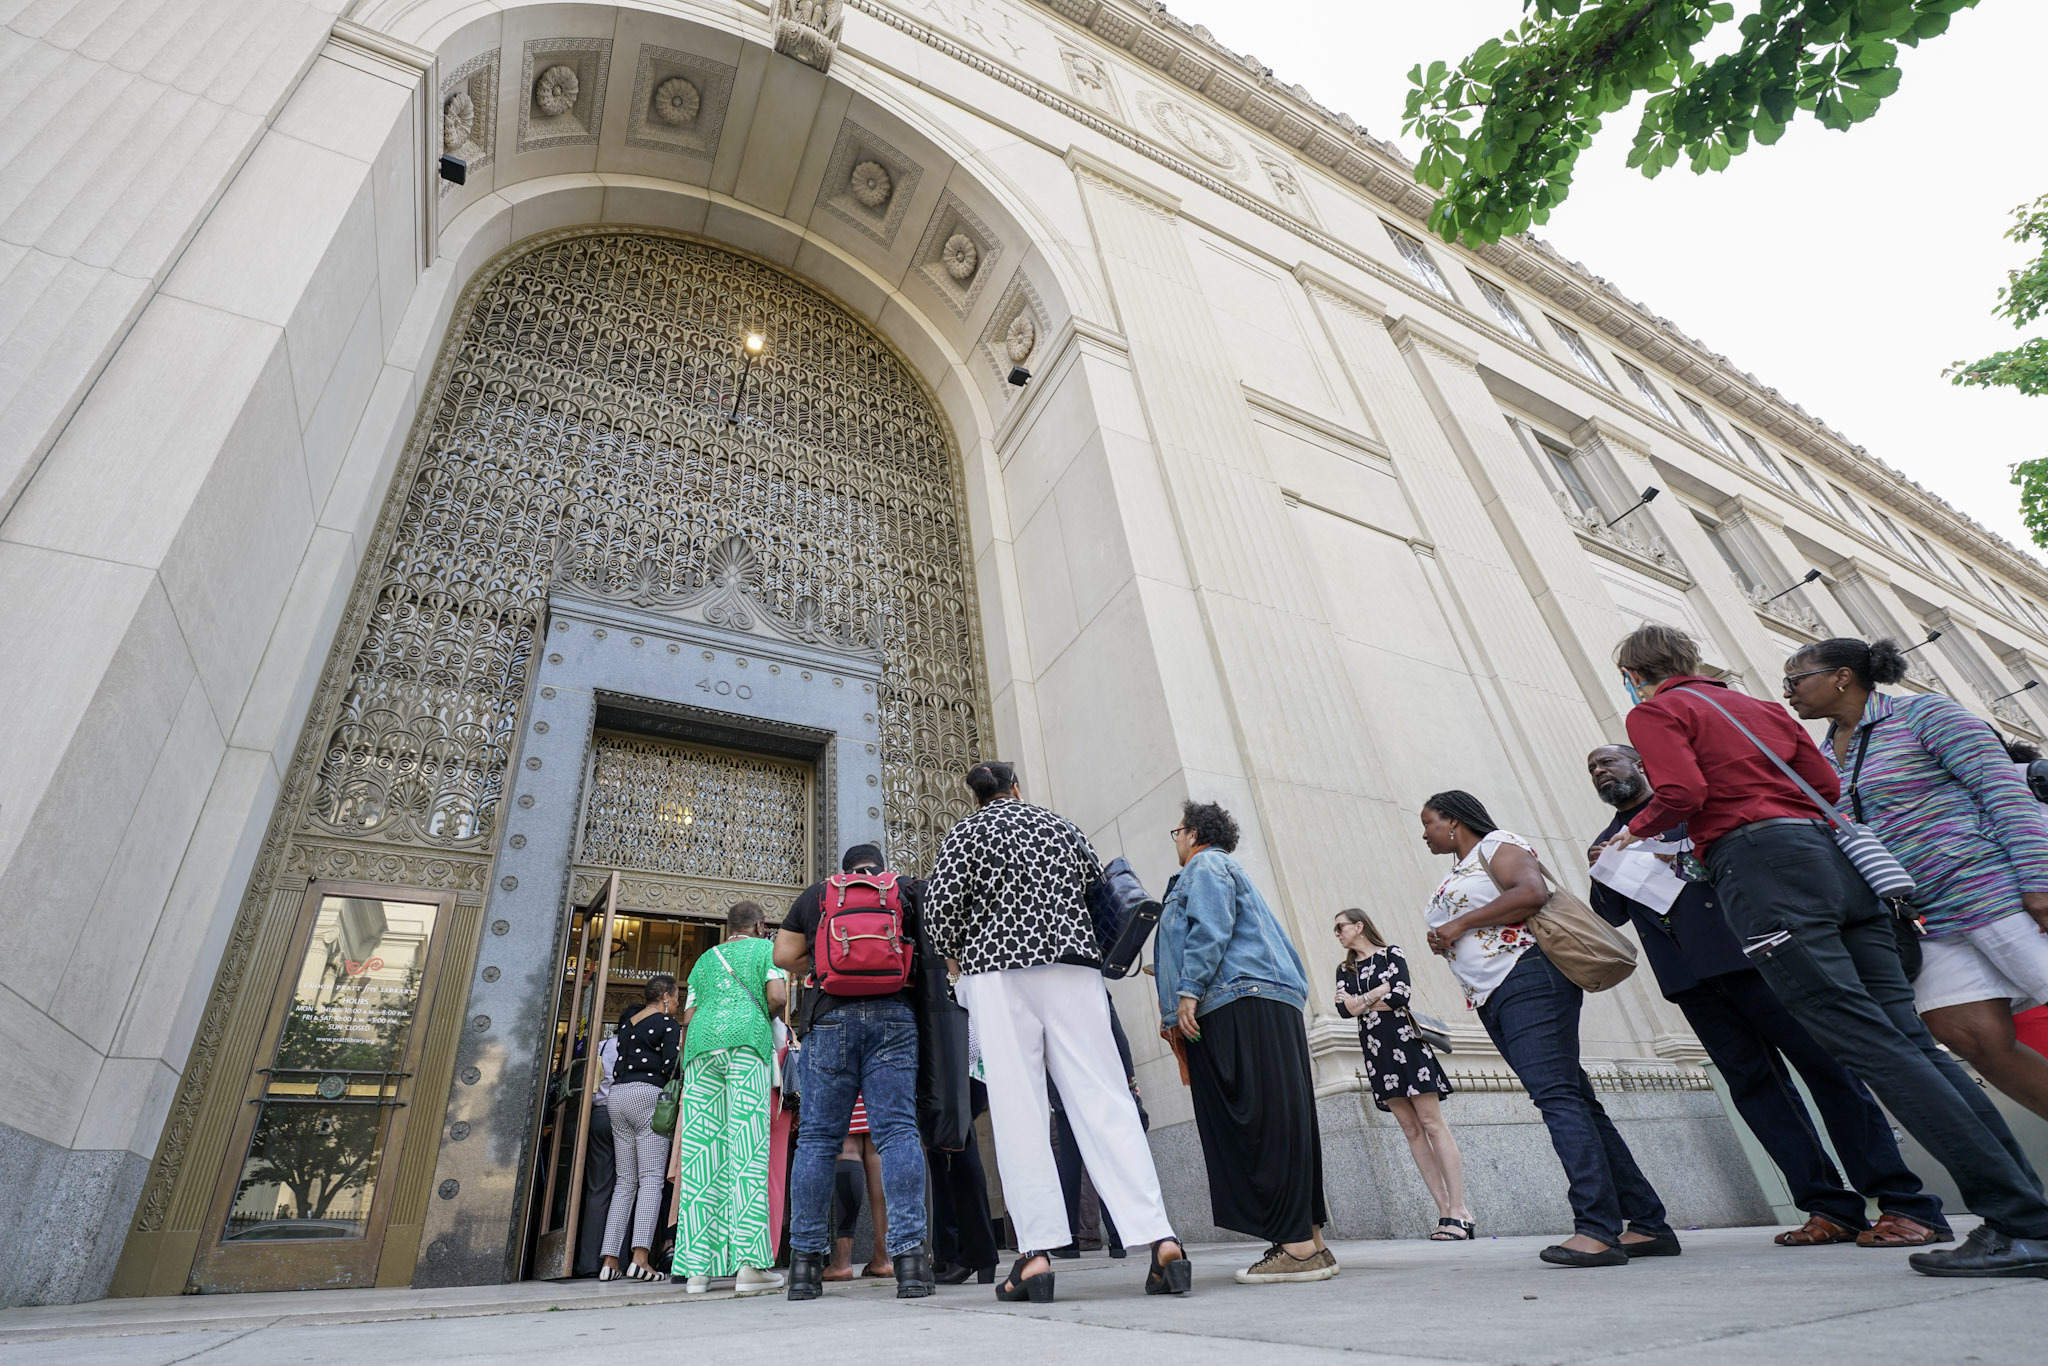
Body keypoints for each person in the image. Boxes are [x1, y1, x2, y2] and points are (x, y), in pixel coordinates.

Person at [1608, 622, 2048, 1278]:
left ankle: (2020, 1222)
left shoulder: (1658, 709)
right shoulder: (1756, 707)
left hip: (1762, 869)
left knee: (1867, 1044)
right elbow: (1825, 782)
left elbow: (1684, 793)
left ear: (1638, 673)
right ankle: (2026, 1213)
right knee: (1909, 1041)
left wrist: (1633, 833)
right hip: (1839, 867)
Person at [1586, 743, 1950, 1247]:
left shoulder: (1688, 810)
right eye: (1592, 770)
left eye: (1608, 762)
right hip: (1692, 983)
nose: (1600, 773)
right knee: (1758, 1093)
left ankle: (1905, 1204)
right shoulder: (1609, 840)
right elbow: (1611, 915)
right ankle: (1829, 1208)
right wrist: (1599, 867)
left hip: (1758, 960)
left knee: (1832, 1074)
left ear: (1642, 764)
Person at [925, 760, 1190, 1302]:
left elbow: (938, 915)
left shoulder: (964, 833)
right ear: (1016, 788)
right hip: (1072, 967)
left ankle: (1037, 1256)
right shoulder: (1058, 824)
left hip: (996, 970)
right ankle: (1162, 1242)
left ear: (978, 797)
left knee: (1020, 1108)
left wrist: (959, 961)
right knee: (1105, 1095)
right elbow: (1098, 889)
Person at [1783, 637, 2048, 1124]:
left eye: (1795, 680)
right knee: (1969, 1035)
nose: (1788, 693)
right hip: (1919, 916)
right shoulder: (1818, 759)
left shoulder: (1925, 714)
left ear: (1842, 675)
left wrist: (2038, 879)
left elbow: (2002, 789)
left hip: (1994, 890)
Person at [1421, 791, 1677, 1268]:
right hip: (1493, 994)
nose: (1424, 832)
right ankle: (1647, 1223)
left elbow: (1531, 892)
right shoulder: (1460, 869)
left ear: (1454, 821)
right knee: (1574, 1100)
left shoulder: (1497, 843)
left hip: (1528, 977)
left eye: (1429, 822)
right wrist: (1447, 936)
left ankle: (1597, 1230)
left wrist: (1456, 926)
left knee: (1557, 1098)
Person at [1155, 800, 1336, 1284]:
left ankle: (1295, 1248)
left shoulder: (1206, 865)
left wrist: (1188, 988)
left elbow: (1210, 929)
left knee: (1254, 1116)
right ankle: (1310, 1241)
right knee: (1282, 1113)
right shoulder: (1230, 869)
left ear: (1193, 834)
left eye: (1177, 832)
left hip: (1236, 1000)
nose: (1176, 841)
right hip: (1263, 997)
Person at [775, 844, 933, 1299]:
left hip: (830, 1018)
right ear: (880, 869)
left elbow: (784, 955)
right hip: (895, 1016)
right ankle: (909, 1264)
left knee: (819, 1140)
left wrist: (827, 961)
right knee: (899, 1133)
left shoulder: (819, 894)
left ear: (843, 871)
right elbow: (934, 950)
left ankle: (805, 1268)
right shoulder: (905, 890)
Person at [671, 901, 788, 1295]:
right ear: (760, 925)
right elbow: (777, 996)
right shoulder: (766, 950)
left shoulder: (704, 960)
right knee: (747, 1149)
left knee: (702, 1154)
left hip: (701, 1049)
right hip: (745, 1044)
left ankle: (697, 1270)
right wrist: (755, 1014)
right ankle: (750, 1269)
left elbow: (687, 1016)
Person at [1333, 909, 1470, 1241]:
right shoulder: (1344, 968)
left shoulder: (1390, 953)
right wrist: (1375, 993)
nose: (1336, 933)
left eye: (1340, 927)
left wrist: (1361, 1000)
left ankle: (1460, 1211)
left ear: (1359, 926)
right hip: (1376, 1050)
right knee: (1410, 1129)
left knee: (1432, 1122)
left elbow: (1400, 996)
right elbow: (1342, 1009)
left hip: (1406, 1044)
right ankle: (1442, 1210)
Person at [597, 974, 680, 1282]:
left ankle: (609, 1261)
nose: (676, 1005)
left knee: (625, 1182)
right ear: (666, 997)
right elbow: (672, 1064)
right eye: (676, 999)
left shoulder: (629, 1024)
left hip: (617, 1098)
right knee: (651, 1180)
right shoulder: (667, 1023)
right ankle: (641, 1258)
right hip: (648, 1096)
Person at [928, 1079, 999, 1284]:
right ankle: (948, 1252)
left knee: (957, 1137)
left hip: (957, 1060)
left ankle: (978, 1252)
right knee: (939, 1146)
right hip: (950, 1059)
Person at [573, 1028, 622, 1276]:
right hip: (626, 1114)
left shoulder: (601, 1046)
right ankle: (618, 1260)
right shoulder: (638, 1043)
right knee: (627, 1187)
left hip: (599, 1114)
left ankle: (587, 1262)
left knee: (597, 1189)